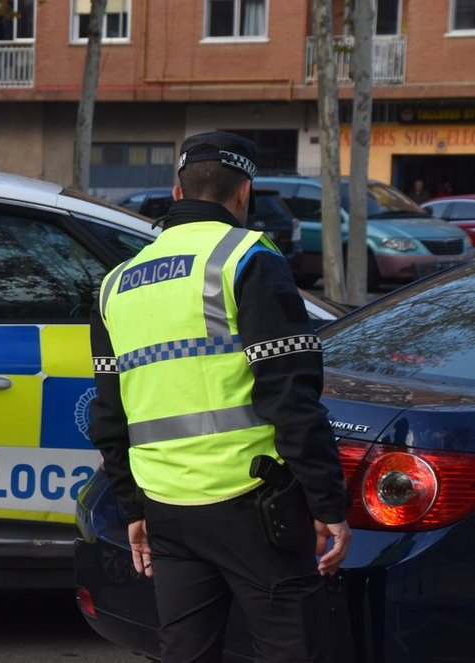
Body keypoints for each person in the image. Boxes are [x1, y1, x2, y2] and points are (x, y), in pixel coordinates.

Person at [88, 131, 351, 663]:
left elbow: (109, 413)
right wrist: (327, 502)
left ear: (176, 189)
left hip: (166, 505)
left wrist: (132, 506)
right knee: (293, 648)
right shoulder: (247, 258)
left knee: (186, 651)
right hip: (252, 502)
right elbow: (290, 396)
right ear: (244, 192)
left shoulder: (117, 283)